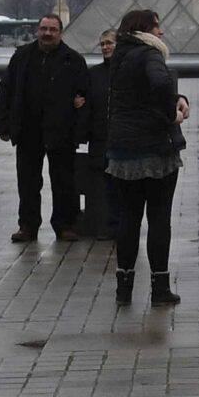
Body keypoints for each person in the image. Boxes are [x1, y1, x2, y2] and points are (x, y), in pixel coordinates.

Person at [104, 8, 185, 305]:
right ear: (145, 29)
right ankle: (160, 289)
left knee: (128, 219)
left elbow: (136, 95)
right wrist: (171, 115)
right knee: (159, 219)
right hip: (154, 149)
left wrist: (177, 99)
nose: (161, 32)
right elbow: (161, 84)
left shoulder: (121, 56)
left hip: (123, 149)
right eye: (157, 26)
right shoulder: (150, 53)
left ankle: (123, 289)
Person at [0, 12, 89, 243]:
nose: (47, 33)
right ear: (37, 31)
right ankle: (28, 225)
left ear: (60, 32)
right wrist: (3, 125)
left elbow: (84, 96)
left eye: (52, 30)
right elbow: (6, 90)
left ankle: (64, 225)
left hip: (61, 131)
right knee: (27, 183)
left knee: (64, 182)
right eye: (44, 29)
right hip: (28, 130)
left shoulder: (74, 60)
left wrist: (80, 131)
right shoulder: (21, 57)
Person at [82, 30, 118, 241]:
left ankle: (118, 225)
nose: (104, 47)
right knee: (101, 185)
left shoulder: (125, 72)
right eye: (102, 44)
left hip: (120, 138)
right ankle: (103, 226)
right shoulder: (93, 74)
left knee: (118, 185)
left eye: (109, 43)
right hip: (98, 138)